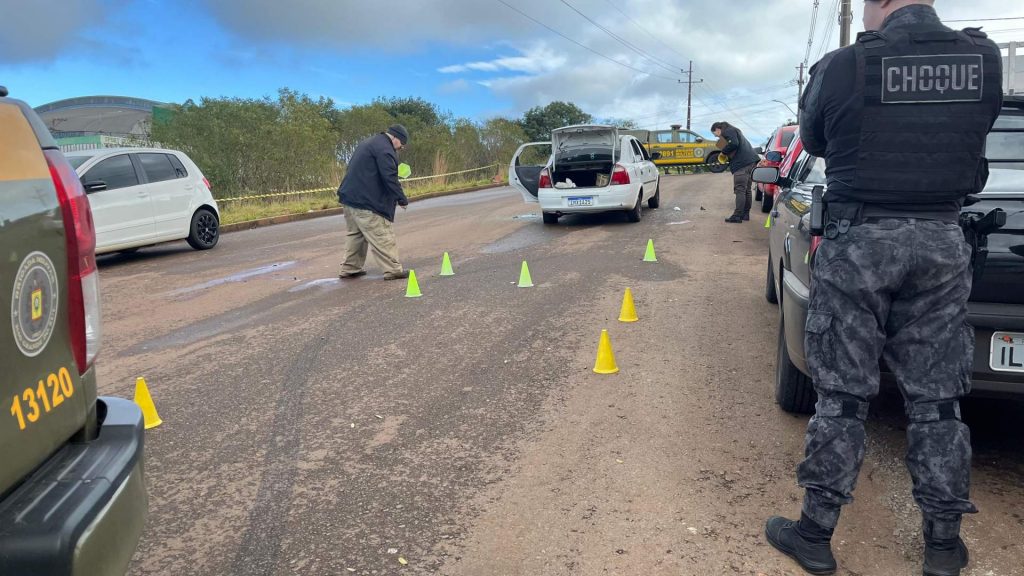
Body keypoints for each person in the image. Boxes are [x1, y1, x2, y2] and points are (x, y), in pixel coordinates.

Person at [763, 1, 1003, 575]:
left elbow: (815, 142)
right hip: (943, 241)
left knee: (842, 395)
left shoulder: (844, 65)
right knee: (937, 400)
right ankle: (943, 548)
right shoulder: (984, 59)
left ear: (877, 5)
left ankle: (815, 535)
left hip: (861, 241)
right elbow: (979, 130)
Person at [337, 124, 411, 280]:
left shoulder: (370, 142)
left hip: (349, 198)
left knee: (356, 235)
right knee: (381, 233)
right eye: (401, 145)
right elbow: (389, 177)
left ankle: (350, 268)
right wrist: (401, 198)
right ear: (396, 138)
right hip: (366, 201)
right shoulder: (385, 149)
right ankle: (393, 270)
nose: (400, 148)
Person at [711, 121, 759, 223]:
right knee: (747, 190)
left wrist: (723, 152)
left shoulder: (728, 131)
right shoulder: (734, 130)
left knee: (740, 190)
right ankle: (745, 214)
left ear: (718, 129)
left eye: (715, 134)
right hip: (751, 162)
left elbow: (734, 143)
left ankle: (737, 216)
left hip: (742, 163)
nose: (716, 137)